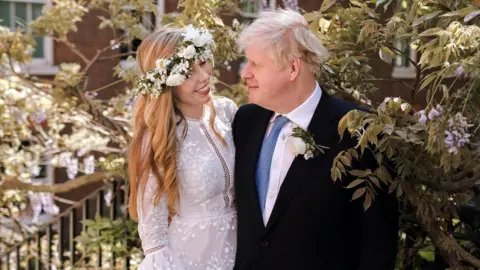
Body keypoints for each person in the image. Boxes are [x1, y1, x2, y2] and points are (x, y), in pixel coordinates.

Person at [233, 9, 399, 270]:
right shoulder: (245, 121)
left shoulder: (359, 131)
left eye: (256, 64)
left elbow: (377, 241)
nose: (245, 74)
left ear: (292, 68)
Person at [128, 24, 238, 270]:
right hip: (189, 258)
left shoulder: (228, 112)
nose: (203, 76)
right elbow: (154, 236)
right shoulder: (157, 136)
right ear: (167, 81)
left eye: (202, 62)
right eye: (188, 72)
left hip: (242, 250)